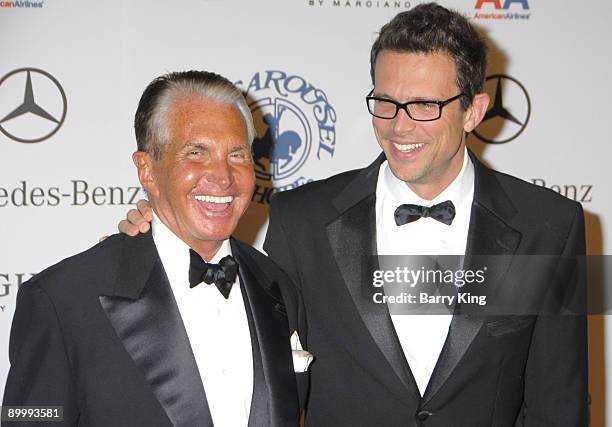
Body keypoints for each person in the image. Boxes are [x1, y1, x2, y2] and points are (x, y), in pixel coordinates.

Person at [119, 3, 587, 426]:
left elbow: (558, 404)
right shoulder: (302, 219)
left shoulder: (547, 226)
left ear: (473, 110)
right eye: (386, 102)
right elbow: (242, 353)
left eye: (424, 104)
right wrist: (162, 240)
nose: (399, 125)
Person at [3, 71, 305, 427]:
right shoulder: (63, 300)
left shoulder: (278, 287)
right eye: (196, 152)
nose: (223, 177)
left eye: (237, 155)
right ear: (147, 170)